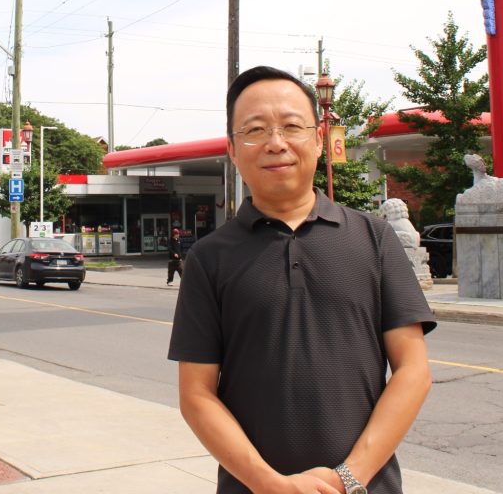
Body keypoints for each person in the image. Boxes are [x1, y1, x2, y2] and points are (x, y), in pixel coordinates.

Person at [168, 66, 435, 494]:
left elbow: (413, 371)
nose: (276, 143)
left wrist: (348, 477)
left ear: (317, 138)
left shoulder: (375, 238)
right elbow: (196, 394)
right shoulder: (208, 259)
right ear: (233, 151)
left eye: (292, 126)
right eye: (255, 130)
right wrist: (269, 484)